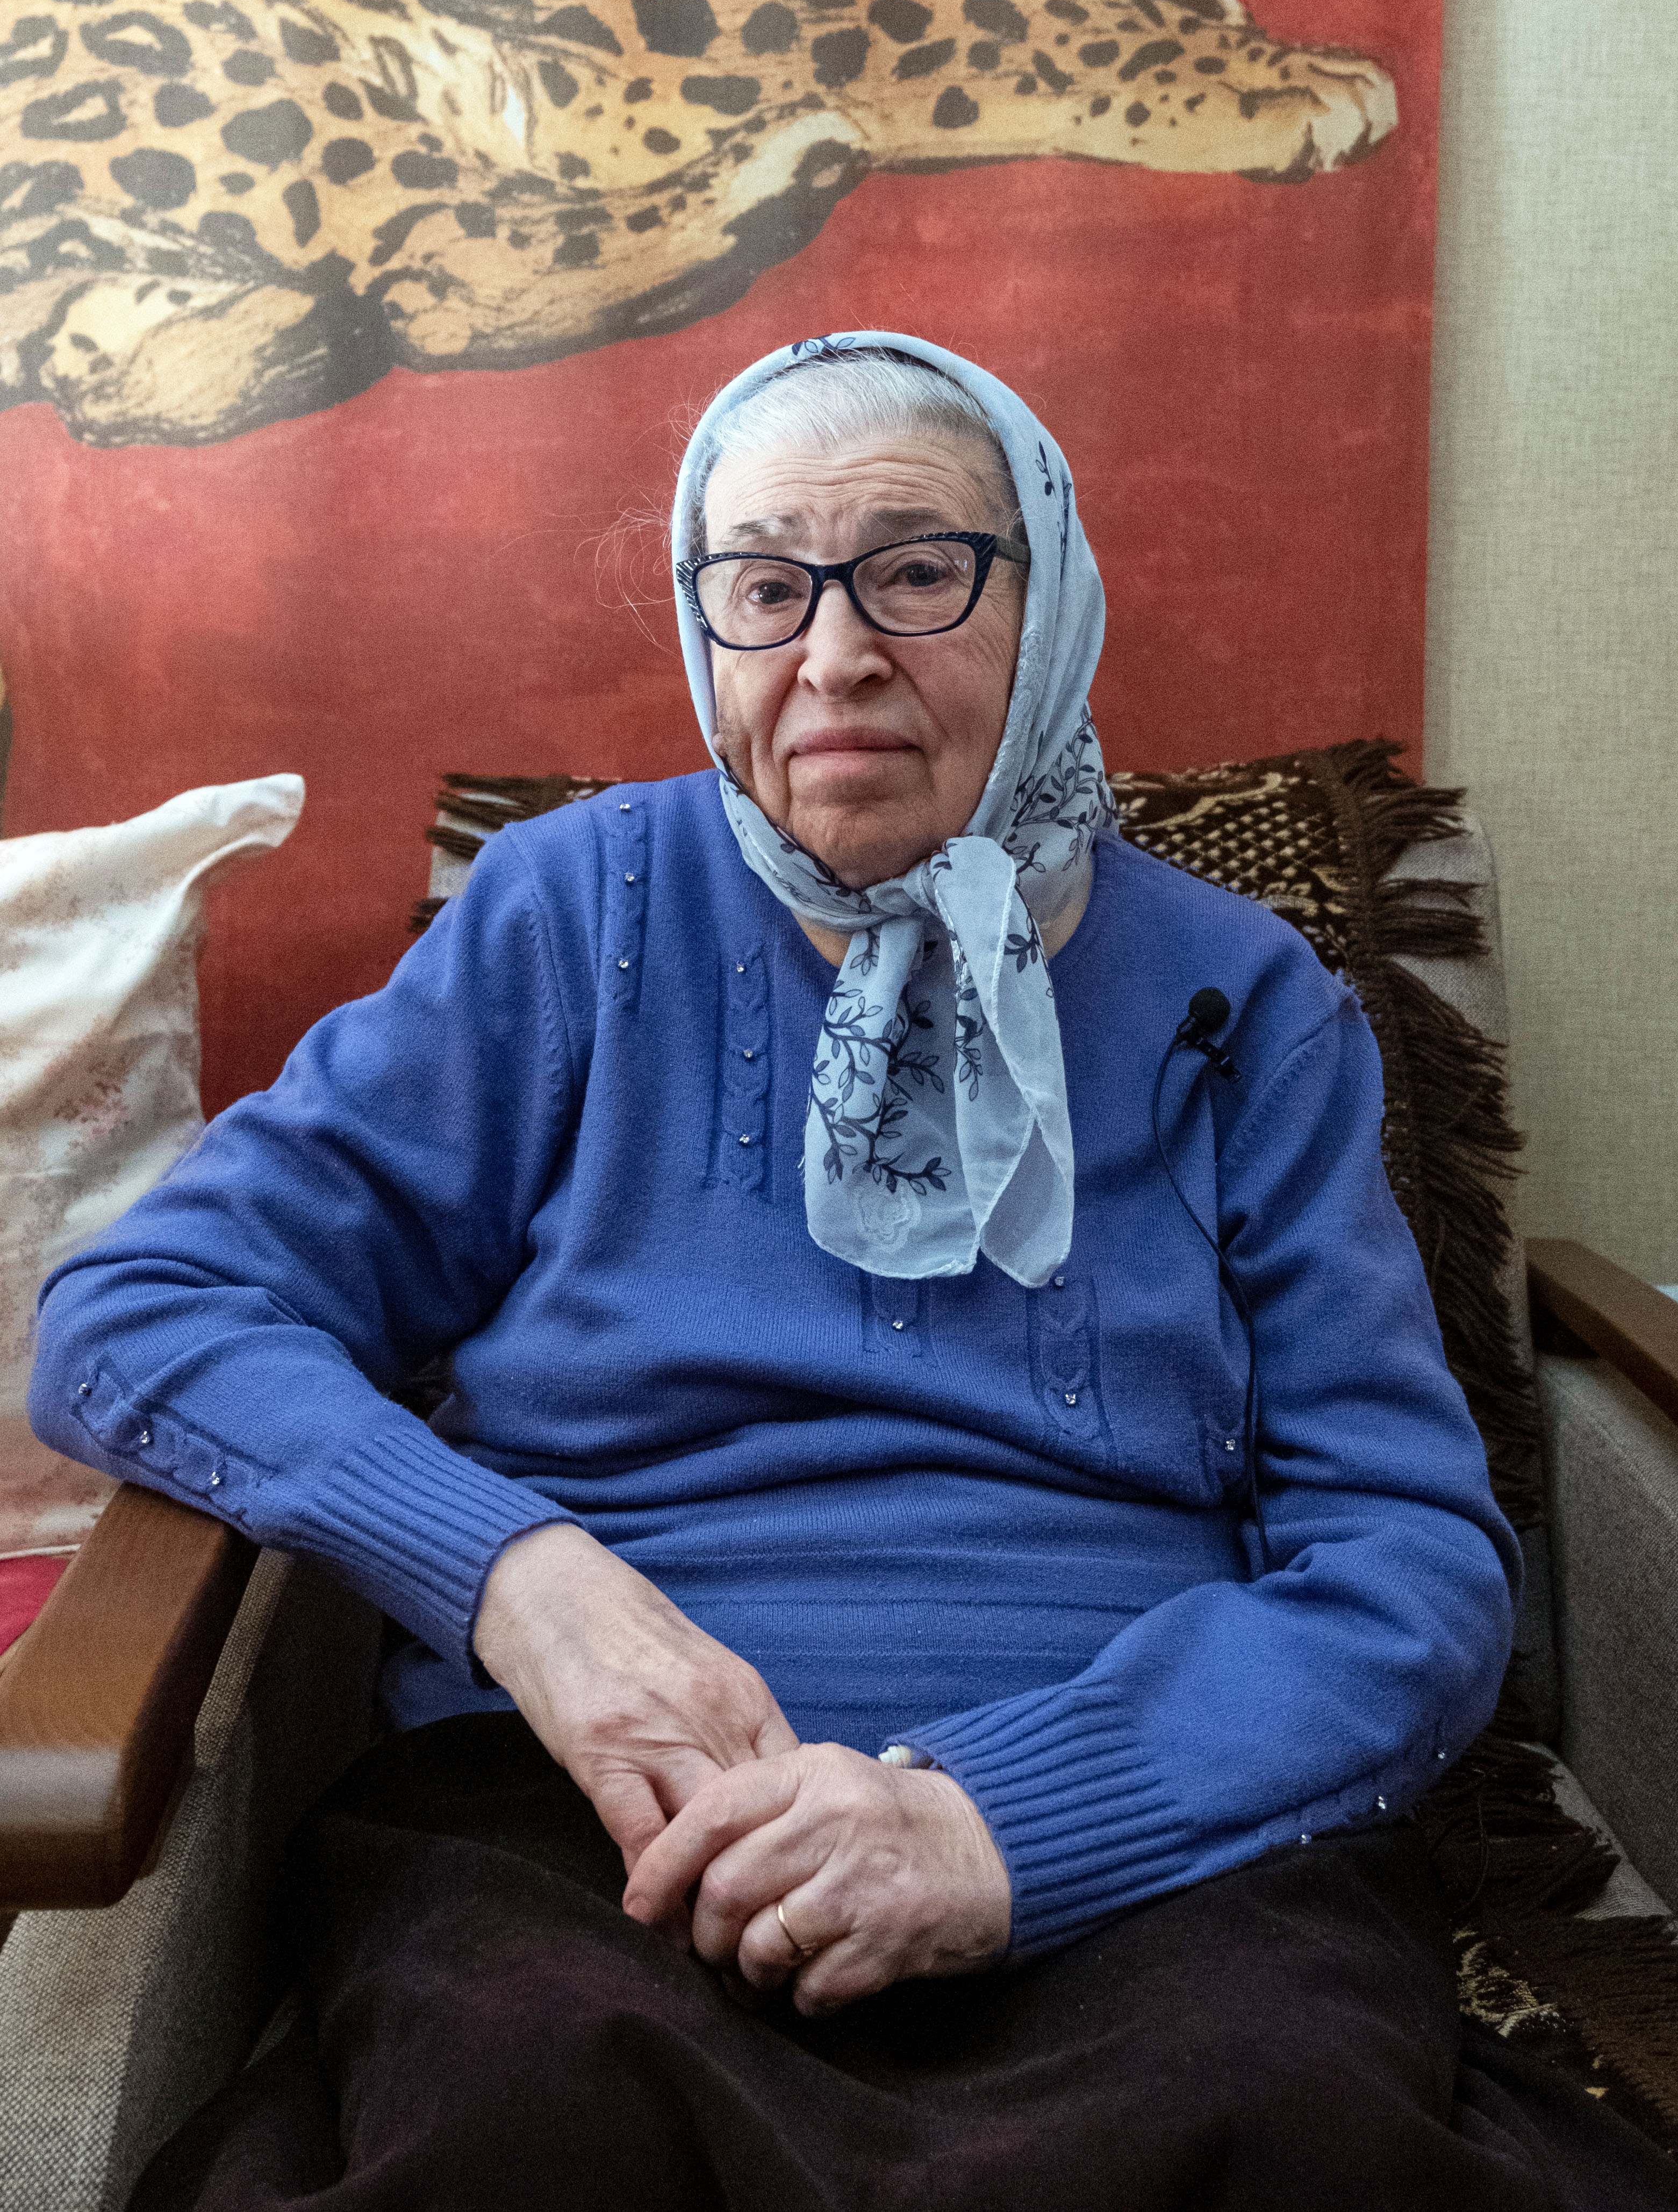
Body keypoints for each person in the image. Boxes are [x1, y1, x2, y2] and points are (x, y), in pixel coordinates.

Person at [32, 335, 1678, 2209]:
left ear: (1042, 598)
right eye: (762, 586)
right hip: (582, 1809)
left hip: (1146, 1816)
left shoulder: (1245, 1000)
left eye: (914, 571)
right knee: (533, 2123)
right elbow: (136, 1318)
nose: (832, 655)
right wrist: (519, 1582)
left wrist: (1005, 1824)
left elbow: (1411, 1558)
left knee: (1282, 2131)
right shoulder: (569, 916)